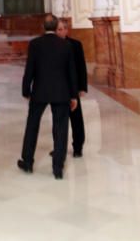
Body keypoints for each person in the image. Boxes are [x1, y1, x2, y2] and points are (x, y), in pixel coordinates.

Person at [18, 14, 78, 180]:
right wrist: (74, 96)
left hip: (40, 92)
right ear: (55, 27)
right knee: (61, 128)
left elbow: (29, 69)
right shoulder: (65, 45)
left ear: (43, 27)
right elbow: (71, 73)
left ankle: (28, 161)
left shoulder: (35, 44)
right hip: (61, 92)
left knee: (32, 125)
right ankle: (58, 167)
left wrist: (26, 90)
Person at [56, 18, 88, 157]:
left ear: (67, 30)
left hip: (72, 87)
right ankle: (59, 148)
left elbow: (81, 67)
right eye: (58, 29)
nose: (61, 32)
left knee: (76, 118)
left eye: (63, 29)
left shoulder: (75, 44)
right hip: (57, 87)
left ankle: (78, 147)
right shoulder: (52, 45)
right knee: (59, 119)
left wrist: (82, 87)